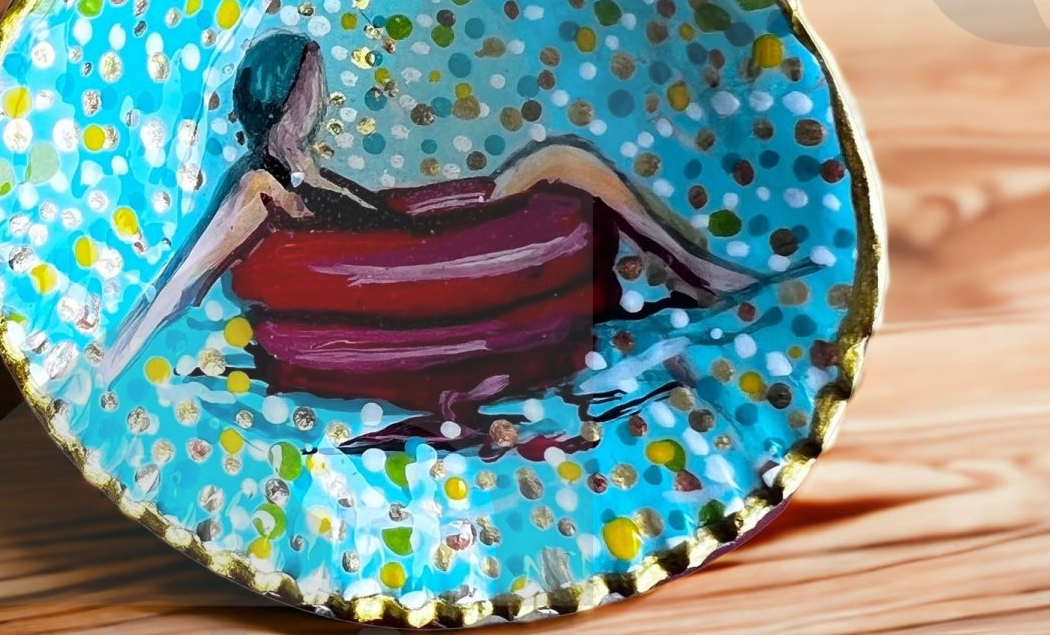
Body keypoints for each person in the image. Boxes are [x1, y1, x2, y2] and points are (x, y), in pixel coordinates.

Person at [100, 32, 752, 386]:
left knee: (564, 157)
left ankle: (696, 269)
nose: (319, 100)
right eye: (311, 86)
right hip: (425, 252)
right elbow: (188, 279)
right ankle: (701, 274)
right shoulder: (259, 187)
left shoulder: (309, 169)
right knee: (566, 161)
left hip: (426, 235)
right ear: (285, 95)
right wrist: (116, 354)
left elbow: (379, 214)